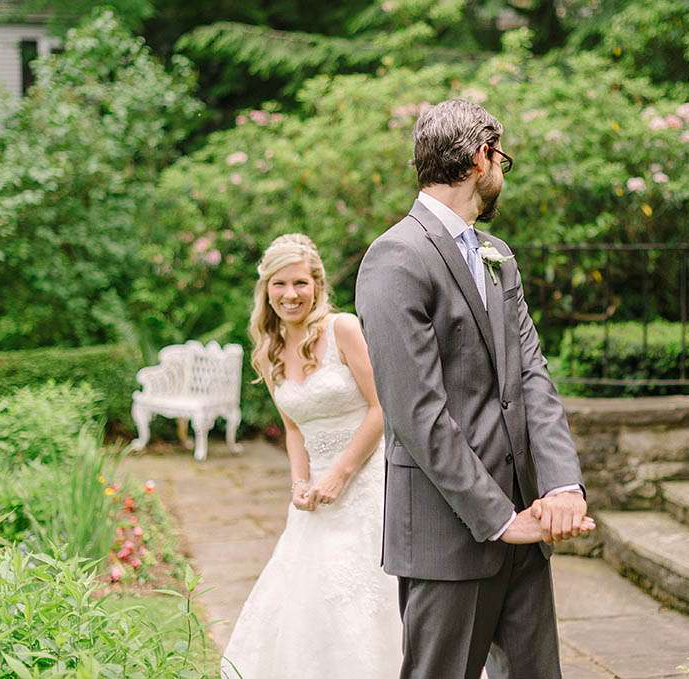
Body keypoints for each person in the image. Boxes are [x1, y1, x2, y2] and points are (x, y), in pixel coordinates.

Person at [355, 98, 595, 679]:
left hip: (528, 525)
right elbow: (418, 415)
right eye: (501, 160)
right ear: (479, 158)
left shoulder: (498, 257)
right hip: (449, 535)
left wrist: (562, 486)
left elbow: (532, 378)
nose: (500, 174)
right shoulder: (396, 259)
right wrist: (498, 518)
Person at [221, 233, 403, 679]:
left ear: (317, 285)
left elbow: (382, 408)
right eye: (279, 285)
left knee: (362, 595)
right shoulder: (268, 349)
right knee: (305, 598)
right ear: (266, 289)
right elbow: (293, 429)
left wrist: (340, 475)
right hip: (314, 497)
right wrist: (300, 484)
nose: (290, 295)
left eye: (300, 283)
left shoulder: (343, 330)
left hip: (366, 485)